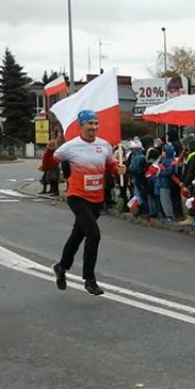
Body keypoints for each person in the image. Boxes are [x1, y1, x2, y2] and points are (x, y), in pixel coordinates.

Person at [52, 110, 118, 296]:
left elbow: (110, 164)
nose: (94, 127)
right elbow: (53, 160)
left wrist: (117, 169)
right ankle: (89, 279)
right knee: (93, 235)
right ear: (81, 125)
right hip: (77, 196)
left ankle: (61, 267)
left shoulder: (104, 145)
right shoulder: (70, 147)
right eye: (90, 124)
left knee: (77, 236)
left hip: (96, 198)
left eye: (96, 124)